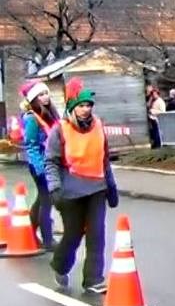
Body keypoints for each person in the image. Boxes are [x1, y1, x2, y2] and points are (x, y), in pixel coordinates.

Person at [45, 78, 119, 294]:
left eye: (88, 106)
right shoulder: (60, 130)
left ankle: (93, 279)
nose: (86, 110)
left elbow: (104, 158)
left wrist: (111, 186)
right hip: (70, 190)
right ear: (72, 109)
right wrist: (55, 189)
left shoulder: (98, 126)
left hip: (97, 187)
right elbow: (51, 161)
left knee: (97, 233)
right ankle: (60, 265)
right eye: (81, 106)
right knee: (73, 234)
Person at [21, 80, 59, 250]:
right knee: (46, 200)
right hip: (40, 165)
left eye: (46, 93)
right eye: (40, 95)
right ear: (33, 99)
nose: (45, 97)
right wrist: (40, 169)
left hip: (50, 163)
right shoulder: (31, 118)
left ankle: (29, 232)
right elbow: (31, 145)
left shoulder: (50, 113)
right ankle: (48, 239)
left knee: (41, 199)